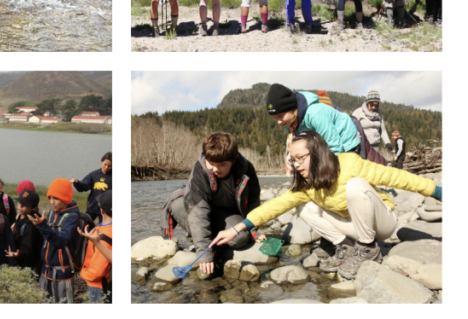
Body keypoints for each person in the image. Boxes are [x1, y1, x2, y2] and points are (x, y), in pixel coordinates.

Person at [210, 129, 443, 280]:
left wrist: (438, 191)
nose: (297, 164)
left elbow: (397, 178)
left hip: (381, 222)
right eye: (293, 160)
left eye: (301, 158)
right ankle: (346, 247)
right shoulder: (306, 184)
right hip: (354, 225)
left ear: (318, 153)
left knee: (355, 186)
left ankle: (369, 250)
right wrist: (237, 228)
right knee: (302, 206)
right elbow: (276, 206)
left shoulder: (348, 164)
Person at [162, 133, 260, 275]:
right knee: (179, 206)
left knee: (240, 238)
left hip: (225, 212)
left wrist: (253, 229)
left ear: (234, 160)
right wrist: (205, 254)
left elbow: (253, 202)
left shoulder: (246, 169)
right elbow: (198, 213)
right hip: (194, 204)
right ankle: (202, 242)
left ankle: (211, 237)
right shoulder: (200, 171)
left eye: (222, 165)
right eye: (211, 164)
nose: (215, 169)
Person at [266, 84, 364, 178]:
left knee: (344, 176)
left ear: (292, 109)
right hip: (323, 145)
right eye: (275, 118)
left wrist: (332, 171)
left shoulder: (315, 113)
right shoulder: (288, 122)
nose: (279, 122)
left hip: (345, 141)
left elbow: (334, 145)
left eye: (280, 116)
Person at [31, 177, 80, 303]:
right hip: (45, 271)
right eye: (50, 197)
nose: (52, 202)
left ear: (65, 198)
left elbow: (60, 242)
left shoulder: (72, 217)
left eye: (56, 198)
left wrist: (42, 226)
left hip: (62, 273)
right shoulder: (52, 212)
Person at [79, 189, 113, 303]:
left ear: (102, 210)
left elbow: (97, 272)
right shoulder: (105, 229)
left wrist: (83, 273)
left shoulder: (103, 237)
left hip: (98, 286)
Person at [72, 152, 112, 220]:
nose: (106, 167)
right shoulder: (94, 174)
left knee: (103, 230)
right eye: (105, 164)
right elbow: (84, 186)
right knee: (83, 227)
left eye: (109, 166)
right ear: (101, 162)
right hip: (92, 208)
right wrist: (77, 182)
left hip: (106, 211)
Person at [12, 188, 43, 275]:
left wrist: (17, 255)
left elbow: (28, 250)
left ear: (33, 208)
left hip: (28, 266)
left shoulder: (31, 224)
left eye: (24, 204)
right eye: (19, 203)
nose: (20, 206)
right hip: (21, 260)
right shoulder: (20, 217)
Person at [352, 90, 392, 155]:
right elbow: (351, 128)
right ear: (367, 103)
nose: (374, 107)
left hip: (375, 146)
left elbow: (383, 129)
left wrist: (387, 142)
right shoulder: (358, 113)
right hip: (363, 146)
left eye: (376, 105)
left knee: (374, 164)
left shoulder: (378, 114)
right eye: (372, 105)